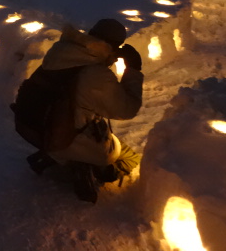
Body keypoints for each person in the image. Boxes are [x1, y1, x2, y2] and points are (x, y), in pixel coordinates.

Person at [24, 18, 143, 203]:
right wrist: (134, 71)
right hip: (69, 137)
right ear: (115, 46)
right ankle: (92, 168)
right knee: (129, 156)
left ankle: (58, 157)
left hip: (40, 127)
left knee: (85, 120)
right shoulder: (94, 74)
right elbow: (127, 109)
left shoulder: (62, 51)